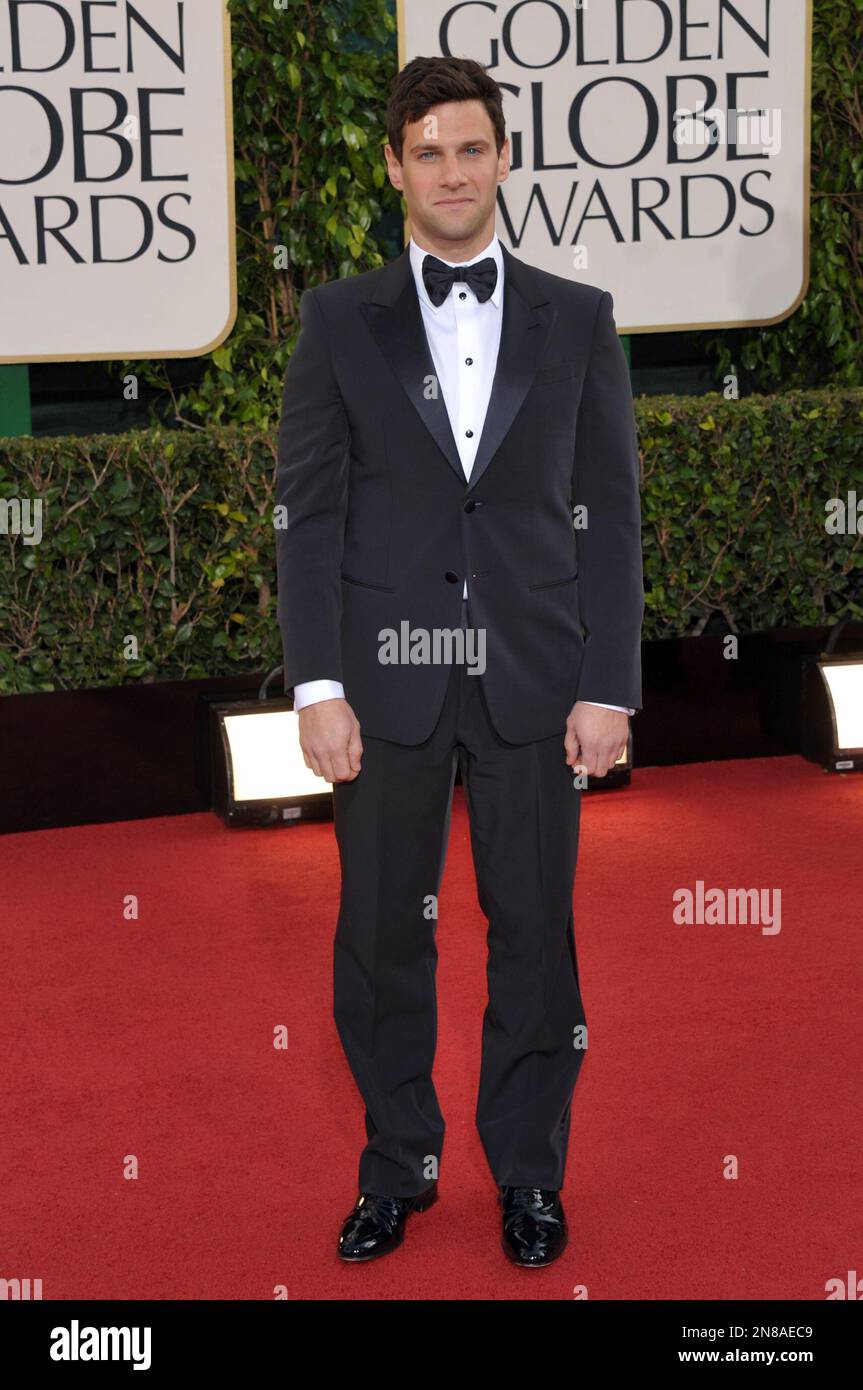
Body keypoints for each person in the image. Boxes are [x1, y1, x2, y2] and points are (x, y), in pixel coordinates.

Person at [275, 54, 644, 1267]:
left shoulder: (577, 319)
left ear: (502, 159)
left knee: (535, 934)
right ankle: (397, 1168)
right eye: (425, 151)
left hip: (536, 680)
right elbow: (310, 511)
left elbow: (608, 509)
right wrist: (316, 684)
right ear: (393, 166)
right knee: (382, 938)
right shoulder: (337, 320)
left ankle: (529, 1176)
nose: (449, 170)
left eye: (469, 148)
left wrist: (608, 686)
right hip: (382, 683)